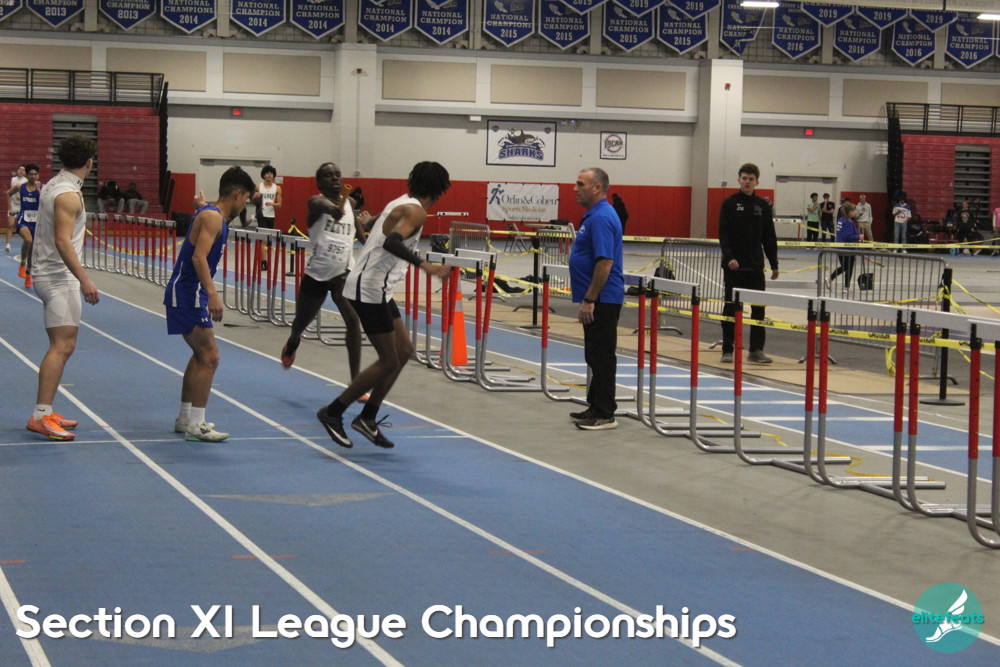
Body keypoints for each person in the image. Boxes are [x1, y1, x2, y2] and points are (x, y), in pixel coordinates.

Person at [316, 161, 451, 449]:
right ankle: (333, 412)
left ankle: (368, 417)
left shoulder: (401, 202)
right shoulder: (416, 211)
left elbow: (379, 225)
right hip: (369, 288)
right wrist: (425, 265)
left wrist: (367, 221)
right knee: (388, 359)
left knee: (404, 350)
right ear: (440, 189)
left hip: (379, 288)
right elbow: (392, 242)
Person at [164, 166, 255, 442]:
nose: (245, 205)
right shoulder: (213, 218)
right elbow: (198, 257)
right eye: (245, 199)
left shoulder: (211, 214)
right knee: (210, 356)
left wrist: (200, 207)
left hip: (191, 292)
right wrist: (213, 293)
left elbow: (204, 221)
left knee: (200, 355)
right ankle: (197, 425)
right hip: (189, 292)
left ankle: (185, 418)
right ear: (237, 194)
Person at [25, 136, 99, 441]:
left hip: (49, 273)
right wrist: (84, 279)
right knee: (62, 346)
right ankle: (40, 415)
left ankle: (45, 411)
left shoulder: (54, 184)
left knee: (62, 345)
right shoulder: (68, 194)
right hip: (58, 277)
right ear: (89, 162)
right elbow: (62, 240)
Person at [280, 162, 370, 387]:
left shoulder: (350, 203)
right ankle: (293, 341)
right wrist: (331, 209)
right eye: (329, 176)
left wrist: (371, 238)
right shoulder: (315, 202)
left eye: (338, 174)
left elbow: (359, 232)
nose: (335, 178)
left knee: (353, 319)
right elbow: (319, 204)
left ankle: (356, 381)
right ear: (320, 183)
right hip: (317, 274)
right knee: (300, 323)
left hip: (342, 273)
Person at [568, 168, 625, 431]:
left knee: (602, 356)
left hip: (602, 299)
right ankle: (595, 405)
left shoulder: (601, 217)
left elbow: (605, 262)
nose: (575, 188)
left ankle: (605, 412)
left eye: (581, 184)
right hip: (596, 298)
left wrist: (590, 298)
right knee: (594, 355)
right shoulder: (593, 215)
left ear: (597, 188)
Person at [718, 163, 780, 365]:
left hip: (755, 268)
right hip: (734, 268)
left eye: (751, 179)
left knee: (758, 310)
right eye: (744, 178)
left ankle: (756, 350)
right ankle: (728, 349)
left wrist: (774, 264)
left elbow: (769, 237)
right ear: (739, 179)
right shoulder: (729, 203)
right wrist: (729, 258)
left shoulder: (763, 206)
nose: (747, 182)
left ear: (757, 182)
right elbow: (723, 234)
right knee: (730, 309)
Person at [15, 163, 41, 288]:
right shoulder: (20, 187)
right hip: (23, 219)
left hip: (36, 222)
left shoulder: (42, 188)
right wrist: (10, 208)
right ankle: (22, 263)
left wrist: (39, 190)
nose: (33, 176)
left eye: (35, 174)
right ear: (27, 175)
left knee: (32, 250)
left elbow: (46, 202)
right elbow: (8, 193)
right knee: (28, 240)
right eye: (30, 174)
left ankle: (28, 273)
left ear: (38, 176)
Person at [825, 203, 859, 292]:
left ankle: (830, 278)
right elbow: (847, 236)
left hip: (839, 247)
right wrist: (858, 237)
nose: (854, 212)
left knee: (844, 267)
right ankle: (846, 286)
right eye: (853, 211)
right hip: (847, 248)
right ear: (848, 211)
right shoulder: (848, 222)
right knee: (849, 268)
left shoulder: (841, 220)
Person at [254, 165, 282, 229]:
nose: (269, 175)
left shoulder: (277, 188)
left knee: (269, 234)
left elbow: (279, 204)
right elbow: (253, 201)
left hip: (271, 215)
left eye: (271, 173)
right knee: (264, 234)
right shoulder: (258, 187)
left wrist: (272, 204)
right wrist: (255, 197)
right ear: (264, 175)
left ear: (273, 176)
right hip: (261, 215)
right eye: (267, 173)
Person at [7, 164, 26, 253]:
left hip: (22, 206)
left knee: (23, 228)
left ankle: (25, 244)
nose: (21, 171)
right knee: (10, 225)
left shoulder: (26, 181)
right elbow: (10, 192)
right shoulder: (13, 179)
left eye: (23, 170)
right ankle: (8, 244)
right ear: (17, 170)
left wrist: (20, 196)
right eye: (19, 169)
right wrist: (10, 207)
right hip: (13, 205)